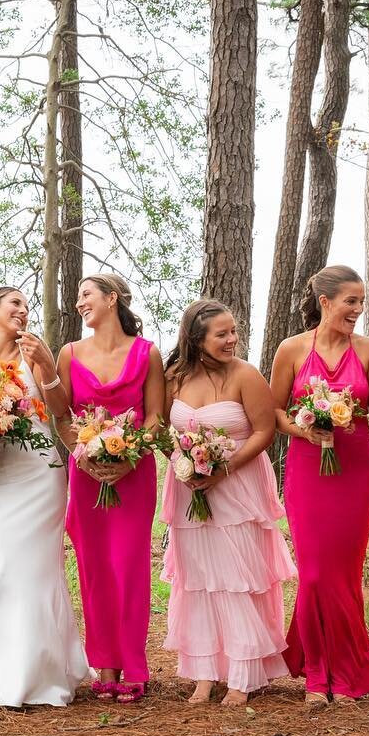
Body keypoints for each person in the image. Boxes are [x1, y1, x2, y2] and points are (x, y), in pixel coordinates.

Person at [269, 264, 369, 708]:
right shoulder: (290, 349)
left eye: (361, 302)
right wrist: (304, 430)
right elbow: (274, 413)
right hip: (307, 467)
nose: (358, 310)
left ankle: (345, 674)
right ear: (325, 302)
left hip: (355, 467)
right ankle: (317, 671)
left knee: (344, 575)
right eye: (350, 301)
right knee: (315, 573)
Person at [160, 300, 296, 706]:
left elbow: (264, 430)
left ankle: (243, 673)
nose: (232, 340)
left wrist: (225, 468)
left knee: (237, 577)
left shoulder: (246, 375)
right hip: (190, 487)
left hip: (237, 487)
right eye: (222, 334)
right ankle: (204, 673)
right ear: (196, 339)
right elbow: (164, 429)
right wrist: (185, 464)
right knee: (199, 579)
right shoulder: (175, 377)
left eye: (234, 331)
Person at [0, 287, 89, 711]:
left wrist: (49, 366)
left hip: (39, 472)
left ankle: (44, 675)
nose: (22, 310)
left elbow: (59, 410)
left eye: (26, 305)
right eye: (13, 303)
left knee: (37, 572)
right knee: (1, 569)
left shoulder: (34, 353)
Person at [57, 273, 165, 704]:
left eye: (86, 294)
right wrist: (85, 455)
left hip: (133, 473)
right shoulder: (68, 353)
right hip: (86, 474)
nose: (80, 302)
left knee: (129, 565)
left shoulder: (147, 353)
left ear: (111, 298)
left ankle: (134, 665)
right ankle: (105, 664)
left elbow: (156, 417)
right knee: (95, 566)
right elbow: (63, 417)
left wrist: (129, 457)